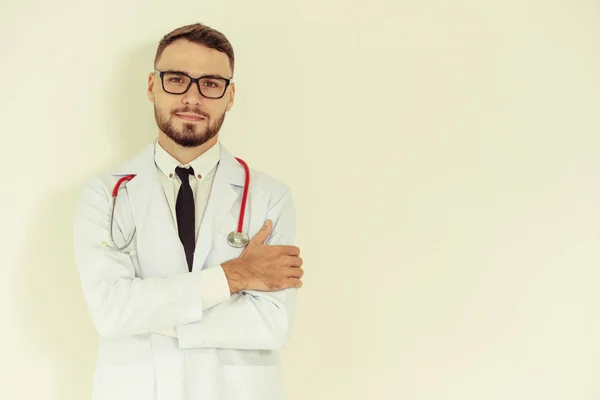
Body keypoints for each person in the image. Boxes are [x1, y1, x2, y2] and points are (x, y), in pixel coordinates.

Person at [72, 22, 304, 400]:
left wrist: (151, 314)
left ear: (229, 96)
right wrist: (232, 278)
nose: (192, 98)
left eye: (210, 83)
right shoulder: (106, 194)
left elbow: (271, 324)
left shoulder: (269, 196)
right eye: (177, 79)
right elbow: (110, 314)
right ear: (152, 86)